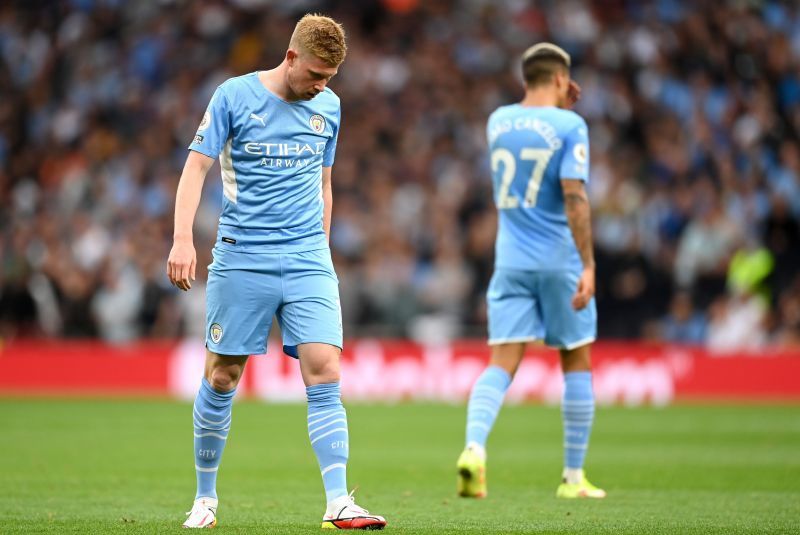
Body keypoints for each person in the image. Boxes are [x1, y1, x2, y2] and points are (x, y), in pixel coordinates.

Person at [167, 14, 386, 530]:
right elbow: (195, 167)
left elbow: (324, 183)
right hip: (244, 256)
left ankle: (338, 501)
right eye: (314, 74)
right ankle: (205, 498)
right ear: (290, 58)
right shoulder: (233, 97)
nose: (321, 86)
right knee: (223, 375)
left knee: (325, 370)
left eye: (330, 78)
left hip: (308, 258)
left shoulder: (329, 107)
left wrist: (324, 252)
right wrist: (181, 239)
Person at [456, 43, 606, 500]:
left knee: (501, 362)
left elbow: (531, 126)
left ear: (526, 79)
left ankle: (473, 449)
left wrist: (555, 101)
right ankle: (573, 478)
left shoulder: (497, 121)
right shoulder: (571, 124)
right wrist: (589, 263)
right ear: (562, 80)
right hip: (559, 259)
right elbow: (574, 195)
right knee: (575, 358)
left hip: (511, 260)